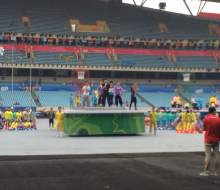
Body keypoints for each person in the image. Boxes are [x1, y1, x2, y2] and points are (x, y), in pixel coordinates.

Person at [200, 107, 220, 176]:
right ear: (214, 111)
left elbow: (204, 129)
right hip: (216, 139)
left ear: (209, 112)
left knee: (208, 155)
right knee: (217, 155)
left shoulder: (206, 119)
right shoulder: (218, 119)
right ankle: (216, 172)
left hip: (208, 139)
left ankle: (206, 172)